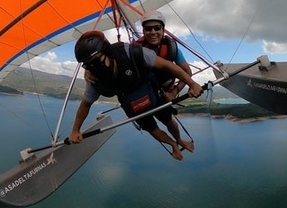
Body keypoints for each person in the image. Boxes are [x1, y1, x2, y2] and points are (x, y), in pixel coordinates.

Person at [69, 30, 203, 160]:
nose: (94, 67)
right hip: (132, 104)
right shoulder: (96, 78)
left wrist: (192, 84)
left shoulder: (130, 53)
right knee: (153, 129)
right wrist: (75, 130)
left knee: (168, 119)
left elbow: (167, 65)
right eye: (88, 65)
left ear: (107, 52)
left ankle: (179, 139)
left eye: (96, 61)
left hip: (150, 92)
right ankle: (173, 144)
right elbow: (85, 104)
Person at [136, 10, 192, 102]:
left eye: (157, 28)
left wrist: (174, 92)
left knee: (167, 116)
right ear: (143, 31)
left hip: (166, 92)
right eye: (148, 29)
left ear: (163, 29)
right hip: (146, 94)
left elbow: (187, 71)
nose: (153, 32)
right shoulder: (136, 50)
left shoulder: (172, 49)